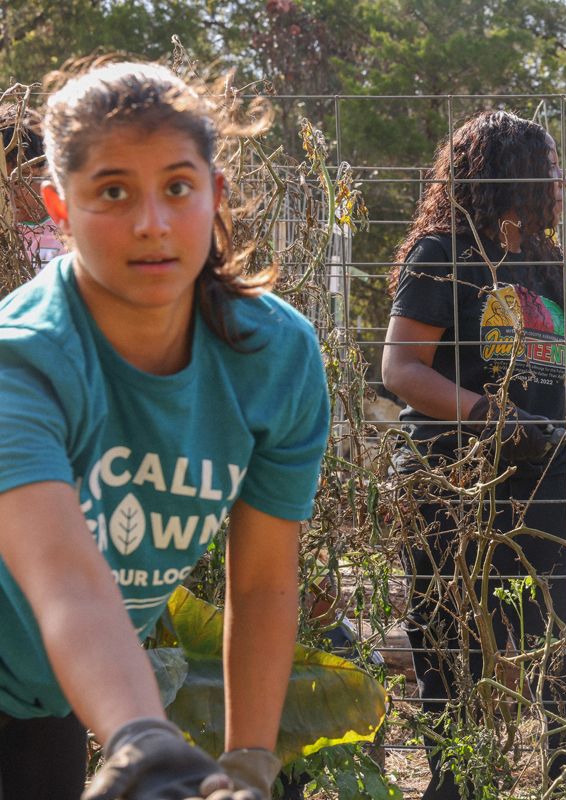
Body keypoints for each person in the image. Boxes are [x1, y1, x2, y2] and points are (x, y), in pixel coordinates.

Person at [0, 61, 330, 799]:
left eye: (177, 187)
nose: (151, 222)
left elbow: (265, 580)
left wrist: (248, 762)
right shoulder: (23, 357)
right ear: (59, 207)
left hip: (49, 695)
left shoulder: (274, 358)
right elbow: (65, 580)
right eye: (113, 191)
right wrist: (145, 740)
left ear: (215, 193)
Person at [380, 110, 566, 798]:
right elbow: (402, 369)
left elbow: (540, 374)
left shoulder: (545, 261)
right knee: (450, 636)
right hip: (452, 480)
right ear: (501, 173)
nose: (558, 179)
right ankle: (455, 778)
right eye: (545, 165)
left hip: (544, 472)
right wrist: (491, 418)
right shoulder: (444, 254)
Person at [0, 102, 65, 277]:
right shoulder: (6, 239)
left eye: (21, 179)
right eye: (3, 183)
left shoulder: (67, 230)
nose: (10, 193)